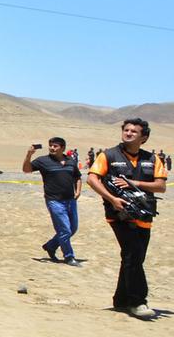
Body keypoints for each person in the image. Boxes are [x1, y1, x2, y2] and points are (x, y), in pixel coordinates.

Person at [87, 118, 168, 320]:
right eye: (126, 130)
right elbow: (92, 178)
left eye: (134, 131)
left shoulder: (153, 159)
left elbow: (161, 186)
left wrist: (135, 182)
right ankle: (138, 301)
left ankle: (121, 299)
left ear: (144, 138)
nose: (129, 133)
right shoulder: (109, 155)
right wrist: (112, 198)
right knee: (133, 254)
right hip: (119, 214)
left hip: (144, 214)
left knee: (134, 257)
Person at [23, 137, 82, 266]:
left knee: (73, 228)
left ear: (63, 148)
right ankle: (69, 256)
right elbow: (26, 170)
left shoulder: (70, 161)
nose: (52, 148)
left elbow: (77, 177)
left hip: (70, 200)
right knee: (65, 230)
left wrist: (78, 191)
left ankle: (51, 246)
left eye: (55, 146)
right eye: (50, 145)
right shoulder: (43, 161)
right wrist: (29, 155)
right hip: (54, 201)